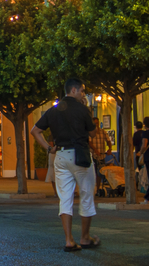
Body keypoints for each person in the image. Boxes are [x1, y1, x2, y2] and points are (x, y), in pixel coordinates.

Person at [30, 78, 100, 251]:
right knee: (86, 195)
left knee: (65, 198)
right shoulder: (82, 109)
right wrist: (87, 111)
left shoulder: (53, 110)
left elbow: (35, 131)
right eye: (82, 91)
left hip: (60, 155)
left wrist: (48, 148)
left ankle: (69, 240)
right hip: (81, 155)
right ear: (74, 90)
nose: (83, 94)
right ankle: (85, 237)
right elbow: (92, 133)